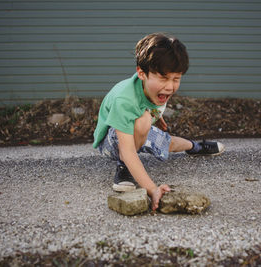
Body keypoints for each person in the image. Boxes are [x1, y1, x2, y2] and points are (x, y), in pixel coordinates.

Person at [93, 33, 225, 211]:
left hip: (137, 127)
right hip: (111, 141)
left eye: (176, 79)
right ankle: (124, 167)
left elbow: (148, 104)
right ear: (142, 73)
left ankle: (195, 147)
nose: (170, 86)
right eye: (164, 78)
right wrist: (152, 189)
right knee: (142, 121)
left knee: (165, 140)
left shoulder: (156, 88)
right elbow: (128, 148)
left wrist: (158, 117)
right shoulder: (124, 100)